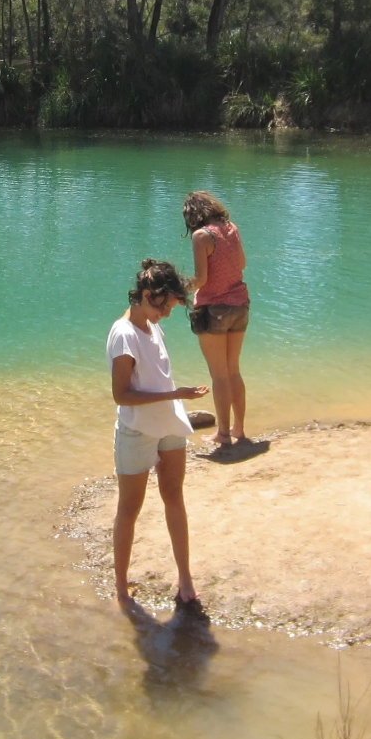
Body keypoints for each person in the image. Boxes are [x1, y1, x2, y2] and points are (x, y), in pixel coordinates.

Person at [107, 259, 209, 609]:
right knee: (130, 508)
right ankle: (121, 589)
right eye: (164, 307)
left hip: (168, 425)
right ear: (148, 296)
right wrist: (177, 395)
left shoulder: (149, 321)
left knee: (174, 498)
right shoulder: (124, 335)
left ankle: (185, 579)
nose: (167, 314)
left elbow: (189, 286)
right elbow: (121, 395)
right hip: (137, 430)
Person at [183, 191, 250, 449]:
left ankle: (223, 434)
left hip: (214, 309)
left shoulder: (202, 236)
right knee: (233, 369)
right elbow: (241, 263)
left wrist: (176, 291)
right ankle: (238, 429)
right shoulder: (231, 228)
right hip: (240, 305)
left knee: (219, 375)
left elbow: (200, 280)